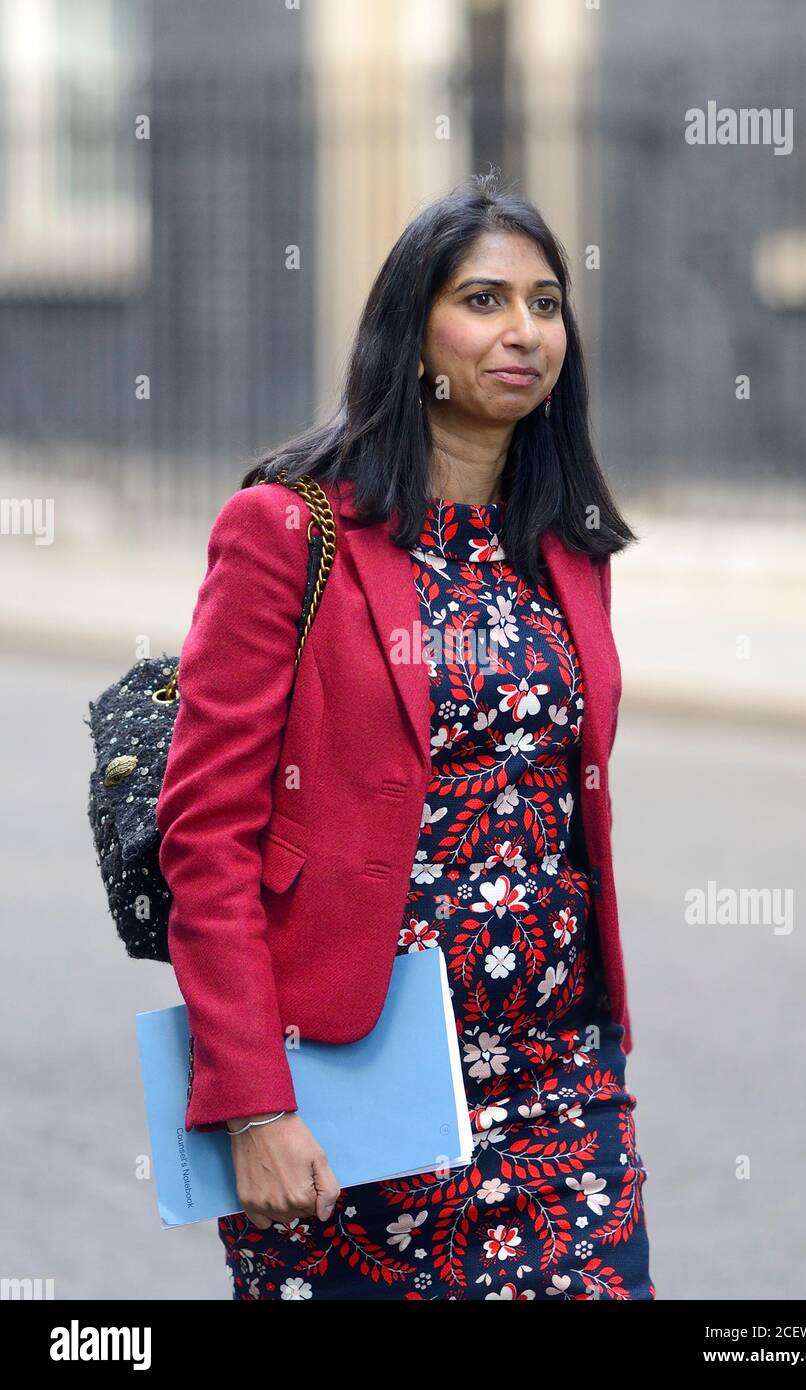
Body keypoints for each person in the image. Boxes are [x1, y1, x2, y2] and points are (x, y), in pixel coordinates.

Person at [156, 172, 655, 1300]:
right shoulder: (289, 530)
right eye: (483, 299)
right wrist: (253, 1102)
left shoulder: (568, 552)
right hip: (350, 1094)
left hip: (560, 1081)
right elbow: (207, 835)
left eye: (545, 301)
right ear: (410, 329)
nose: (523, 330)